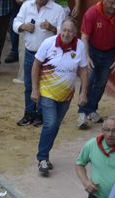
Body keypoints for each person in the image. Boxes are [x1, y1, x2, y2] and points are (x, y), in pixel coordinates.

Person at [28, 14, 83, 178]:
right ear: (60, 30)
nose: (66, 34)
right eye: (64, 30)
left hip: (66, 95)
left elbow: (84, 70)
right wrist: (35, 89)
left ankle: (45, 154)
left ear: (75, 33)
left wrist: (84, 93)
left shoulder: (79, 46)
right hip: (47, 92)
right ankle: (42, 158)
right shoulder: (48, 43)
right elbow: (36, 65)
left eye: (70, 31)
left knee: (56, 126)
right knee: (50, 124)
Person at [75, 0, 115, 128]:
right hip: (92, 50)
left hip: (109, 52)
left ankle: (92, 109)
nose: (114, 6)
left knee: (101, 83)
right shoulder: (91, 13)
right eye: (111, 3)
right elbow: (84, 36)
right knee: (88, 79)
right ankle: (82, 112)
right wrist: (86, 56)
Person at [12, 0, 60, 127]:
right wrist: (23, 26)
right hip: (30, 52)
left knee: (44, 86)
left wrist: (52, 28)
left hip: (48, 56)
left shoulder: (58, 9)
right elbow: (16, 22)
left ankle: (40, 114)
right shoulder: (27, 5)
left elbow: (65, 32)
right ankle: (29, 113)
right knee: (28, 85)